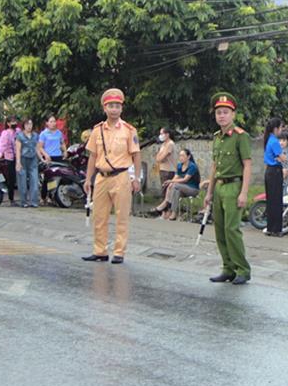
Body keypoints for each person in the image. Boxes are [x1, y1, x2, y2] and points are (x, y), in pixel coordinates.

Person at [82, 89, 142, 264]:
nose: (114, 109)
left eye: (117, 106)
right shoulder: (97, 130)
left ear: (121, 109)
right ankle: (100, 251)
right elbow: (92, 156)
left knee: (122, 216)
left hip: (121, 177)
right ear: (104, 108)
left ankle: (119, 252)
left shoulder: (129, 130)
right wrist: (88, 179)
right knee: (99, 216)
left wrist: (136, 178)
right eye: (110, 106)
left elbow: (136, 155)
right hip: (101, 177)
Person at [203, 92, 253, 284]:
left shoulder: (241, 136)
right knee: (220, 230)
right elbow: (214, 166)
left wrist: (244, 192)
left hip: (234, 186)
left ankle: (242, 269)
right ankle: (228, 268)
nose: (221, 116)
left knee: (232, 229)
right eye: (218, 113)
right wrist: (209, 192)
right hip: (219, 187)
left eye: (225, 112)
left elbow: (247, 164)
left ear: (233, 114)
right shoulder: (217, 137)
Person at [149, 148, 200, 220]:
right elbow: (175, 178)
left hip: (192, 189)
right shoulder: (179, 165)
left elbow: (185, 179)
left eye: (183, 156)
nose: (181, 158)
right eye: (180, 156)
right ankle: (173, 214)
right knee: (176, 191)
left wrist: (171, 182)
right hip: (181, 188)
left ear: (188, 157)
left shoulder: (192, 166)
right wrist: (170, 182)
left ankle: (166, 203)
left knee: (174, 185)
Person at [262, 117, 286, 237]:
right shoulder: (275, 141)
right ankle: (277, 229)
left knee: (271, 200)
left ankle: (270, 227)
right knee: (277, 201)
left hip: (269, 171)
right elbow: (282, 158)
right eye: (281, 127)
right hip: (275, 171)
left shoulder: (268, 140)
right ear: (276, 129)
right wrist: (283, 157)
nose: (281, 130)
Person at [38, 115, 67, 205]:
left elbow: (62, 143)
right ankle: (43, 197)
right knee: (48, 178)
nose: (53, 123)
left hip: (58, 157)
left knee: (57, 178)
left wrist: (65, 151)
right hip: (49, 158)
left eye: (54, 121)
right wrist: (45, 155)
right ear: (47, 123)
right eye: (51, 121)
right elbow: (40, 147)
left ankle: (52, 196)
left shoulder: (59, 133)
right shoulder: (44, 134)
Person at [14, 117, 41, 209]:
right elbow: (17, 150)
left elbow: (37, 148)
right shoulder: (20, 136)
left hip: (33, 159)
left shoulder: (35, 135)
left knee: (34, 180)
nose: (29, 126)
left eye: (30, 124)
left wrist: (42, 158)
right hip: (23, 159)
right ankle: (23, 201)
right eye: (27, 124)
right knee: (22, 182)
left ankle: (34, 201)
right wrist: (18, 162)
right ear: (23, 126)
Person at [0, 115, 20, 206]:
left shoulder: (18, 132)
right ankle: (11, 199)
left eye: (15, 121)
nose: (14, 123)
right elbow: (2, 145)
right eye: (12, 122)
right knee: (11, 179)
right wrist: (0, 154)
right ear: (8, 123)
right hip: (9, 158)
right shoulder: (6, 133)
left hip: (18, 157)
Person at [154, 127, 178, 196]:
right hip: (163, 169)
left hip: (168, 170)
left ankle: (167, 206)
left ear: (167, 134)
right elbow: (157, 157)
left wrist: (159, 157)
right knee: (164, 190)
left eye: (162, 133)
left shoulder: (170, 144)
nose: (160, 135)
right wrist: (159, 157)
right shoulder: (163, 144)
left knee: (167, 191)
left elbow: (162, 157)